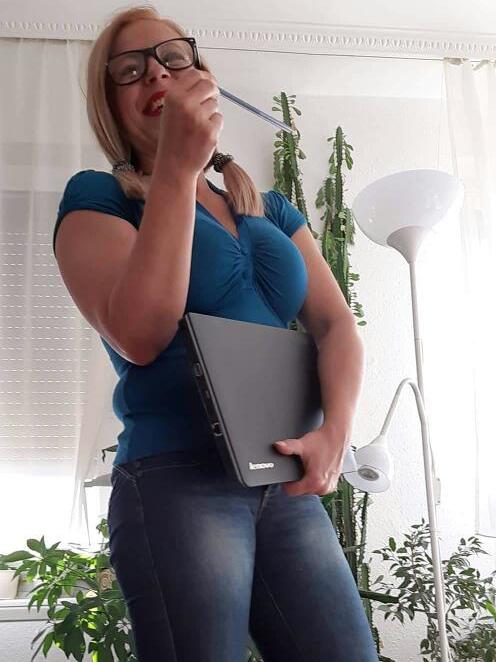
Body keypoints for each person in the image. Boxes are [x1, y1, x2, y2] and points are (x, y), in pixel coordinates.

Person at [52, 4, 378, 661]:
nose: (156, 74)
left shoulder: (270, 209)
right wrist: (175, 170)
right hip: (176, 477)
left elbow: (336, 323)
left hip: (283, 478)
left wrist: (336, 434)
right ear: (109, 105)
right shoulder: (98, 197)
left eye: (173, 58)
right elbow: (140, 335)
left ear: (203, 76)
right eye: (129, 70)